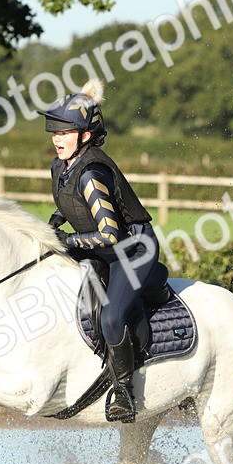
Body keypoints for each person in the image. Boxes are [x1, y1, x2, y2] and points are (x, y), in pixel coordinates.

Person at [42, 78, 165, 424]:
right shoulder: (60, 166)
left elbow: (110, 233)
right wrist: (51, 226)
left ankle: (124, 392)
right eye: (54, 131)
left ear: (86, 136)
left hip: (132, 250)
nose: (56, 138)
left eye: (65, 132)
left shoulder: (92, 173)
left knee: (111, 316)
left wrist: (68, 242)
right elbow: (69, 207)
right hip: (100, 246)